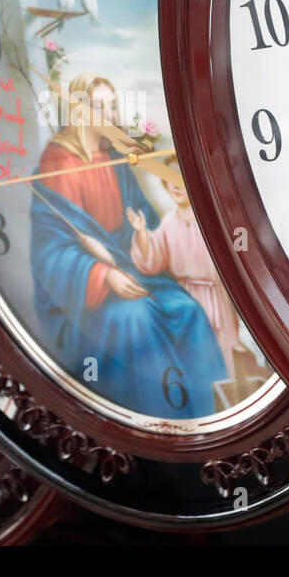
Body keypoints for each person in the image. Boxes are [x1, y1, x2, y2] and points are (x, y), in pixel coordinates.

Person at [28, 74, 225, 418]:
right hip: (84, 293)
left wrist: (143, 237)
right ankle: (164, 419)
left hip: (130, 268)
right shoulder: (55, 165)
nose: (112, 115)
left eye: (113, 106)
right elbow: (51, 251)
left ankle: (208, 414)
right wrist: (105, 276)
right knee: (137, 318)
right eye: (100, 107)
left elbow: (142, 218)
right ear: (78, 112)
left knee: (187, 308)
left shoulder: (113, 161)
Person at [127, 169, 242, 379]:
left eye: (179, 179)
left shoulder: (212, 215)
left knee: (228, 351)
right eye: (169, 181)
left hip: (219, 296)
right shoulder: (169, 222)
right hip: (188, 298)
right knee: (196, 355)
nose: (176, 186)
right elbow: (152, 261)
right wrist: (142, 232)